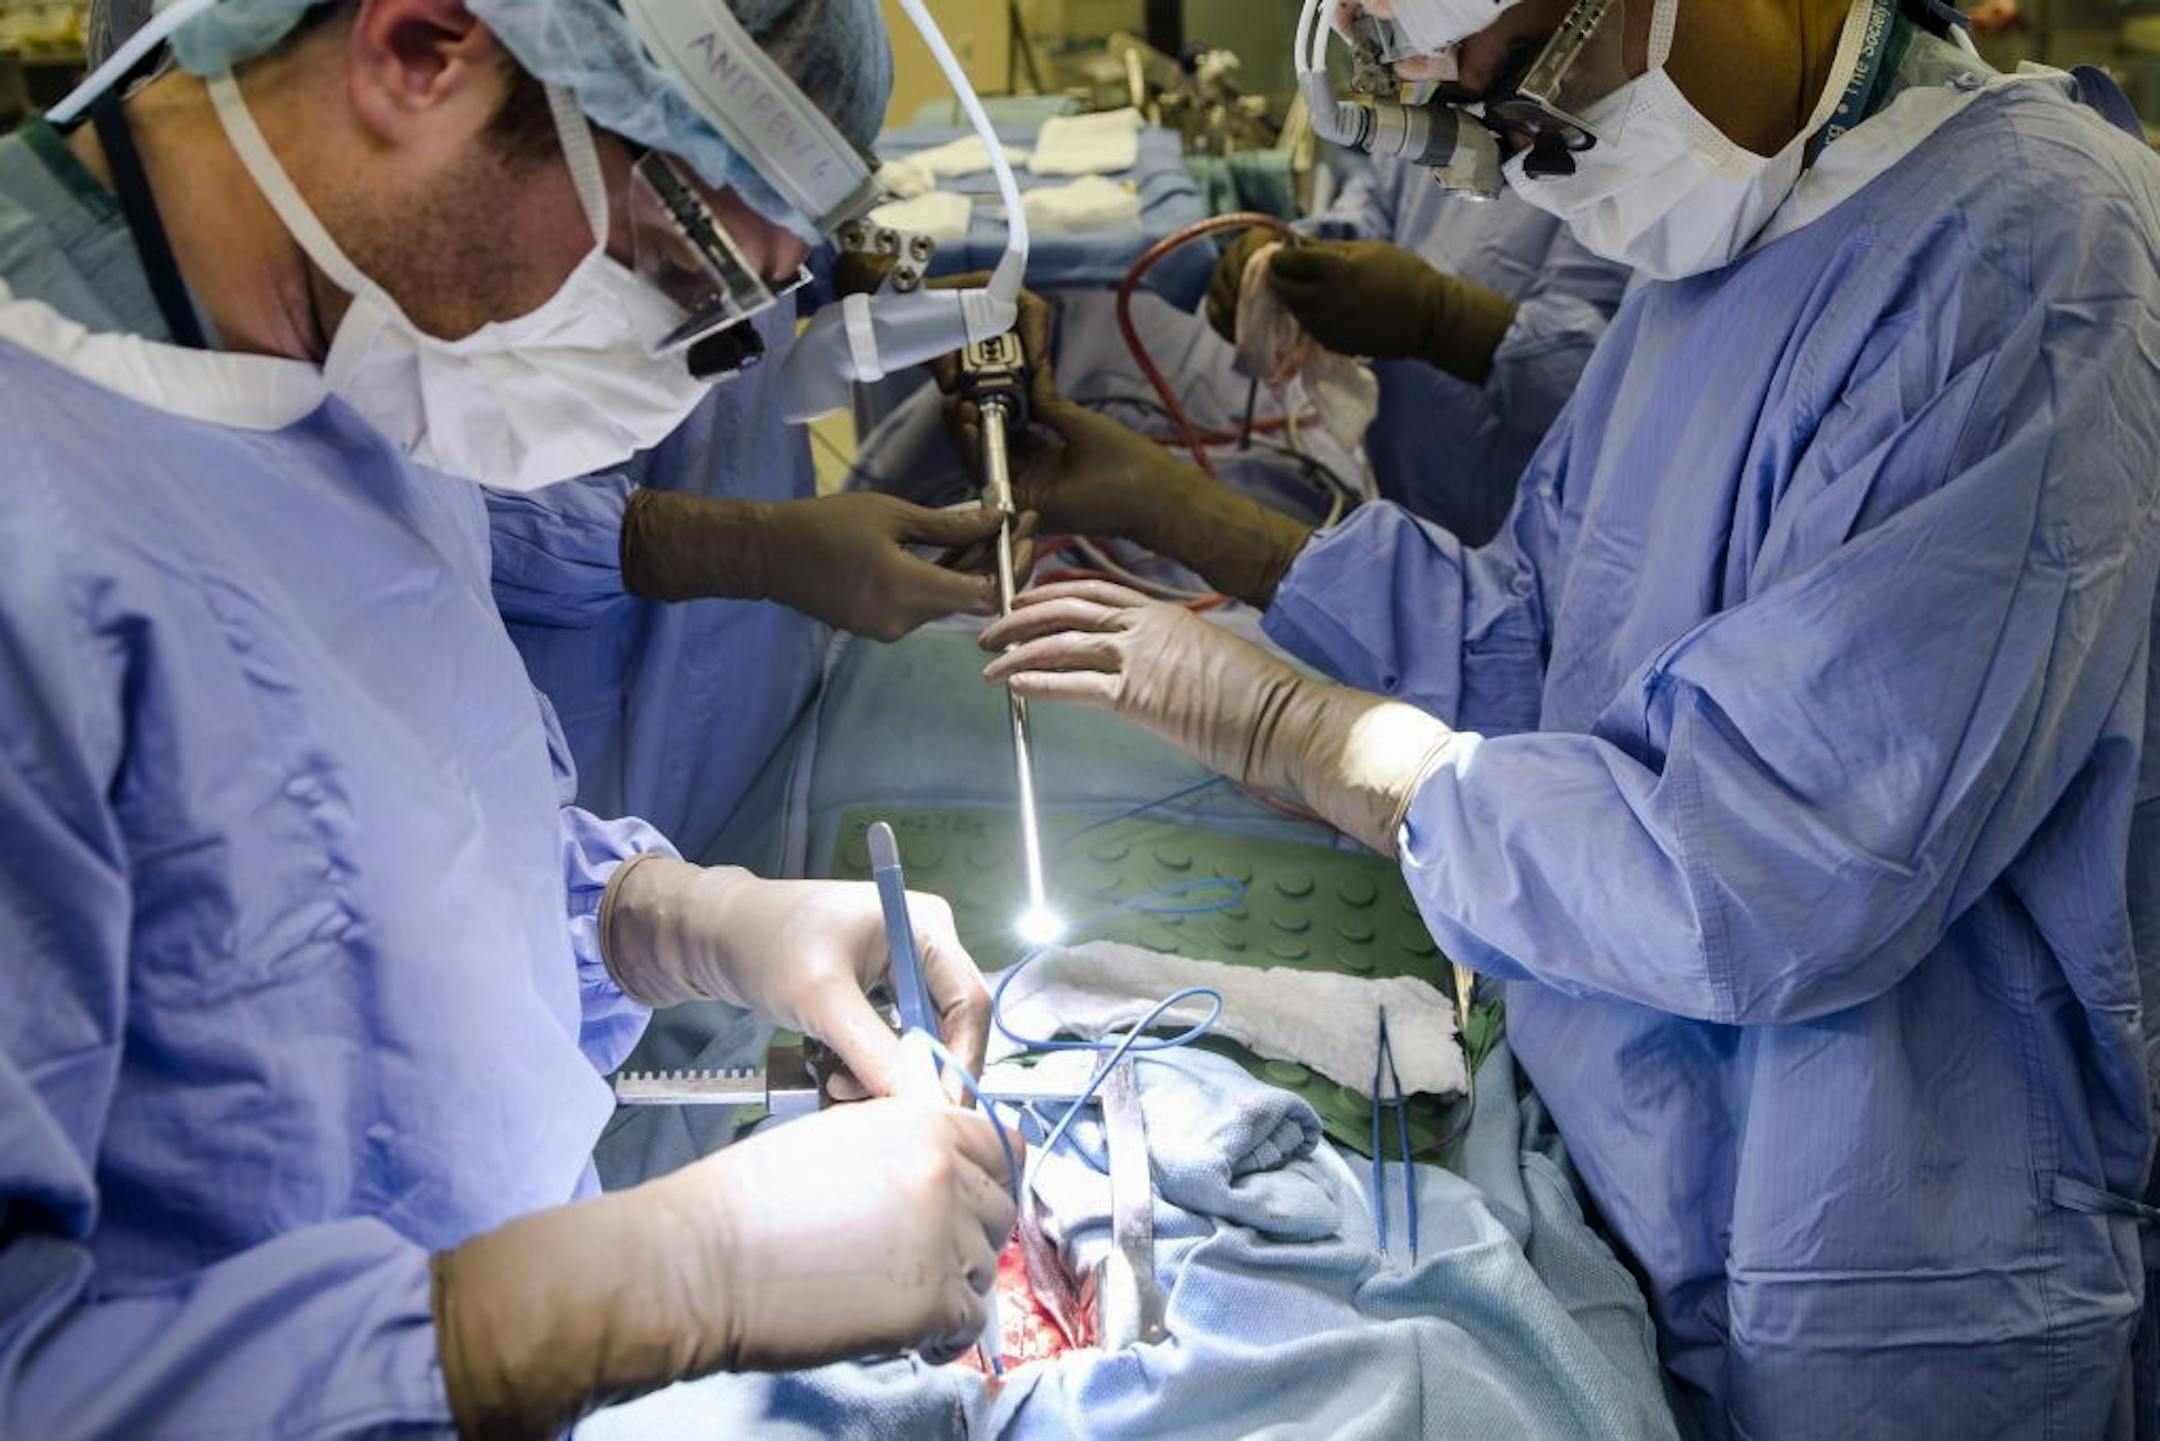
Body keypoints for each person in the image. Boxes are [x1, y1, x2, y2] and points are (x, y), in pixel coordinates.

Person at [961, 0, 2160, 1434]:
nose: (1531, 150)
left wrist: (1314, 740)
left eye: (1527, 72)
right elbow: (1551, 634)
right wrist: (1182, 521)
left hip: (1889, 1268)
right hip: (1635, 1176)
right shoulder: (1742, 231)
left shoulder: (2033, 259)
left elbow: (1777, 864)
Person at [0, 0, 1021, 1435]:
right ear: (423, 47)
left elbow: (366, 864)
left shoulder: (359, 354)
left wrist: (671, 919)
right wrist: (661, 1280)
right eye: (678, 270)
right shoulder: (38, 526)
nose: (670, 373)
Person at [1205, 161, 1630, 543]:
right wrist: (1298, 257)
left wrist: (1452, 322)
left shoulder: (1622, 163)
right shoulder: (1441, 104)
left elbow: (1612, 396)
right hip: (1412, 495)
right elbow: (1377, 202)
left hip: (1537, 532)